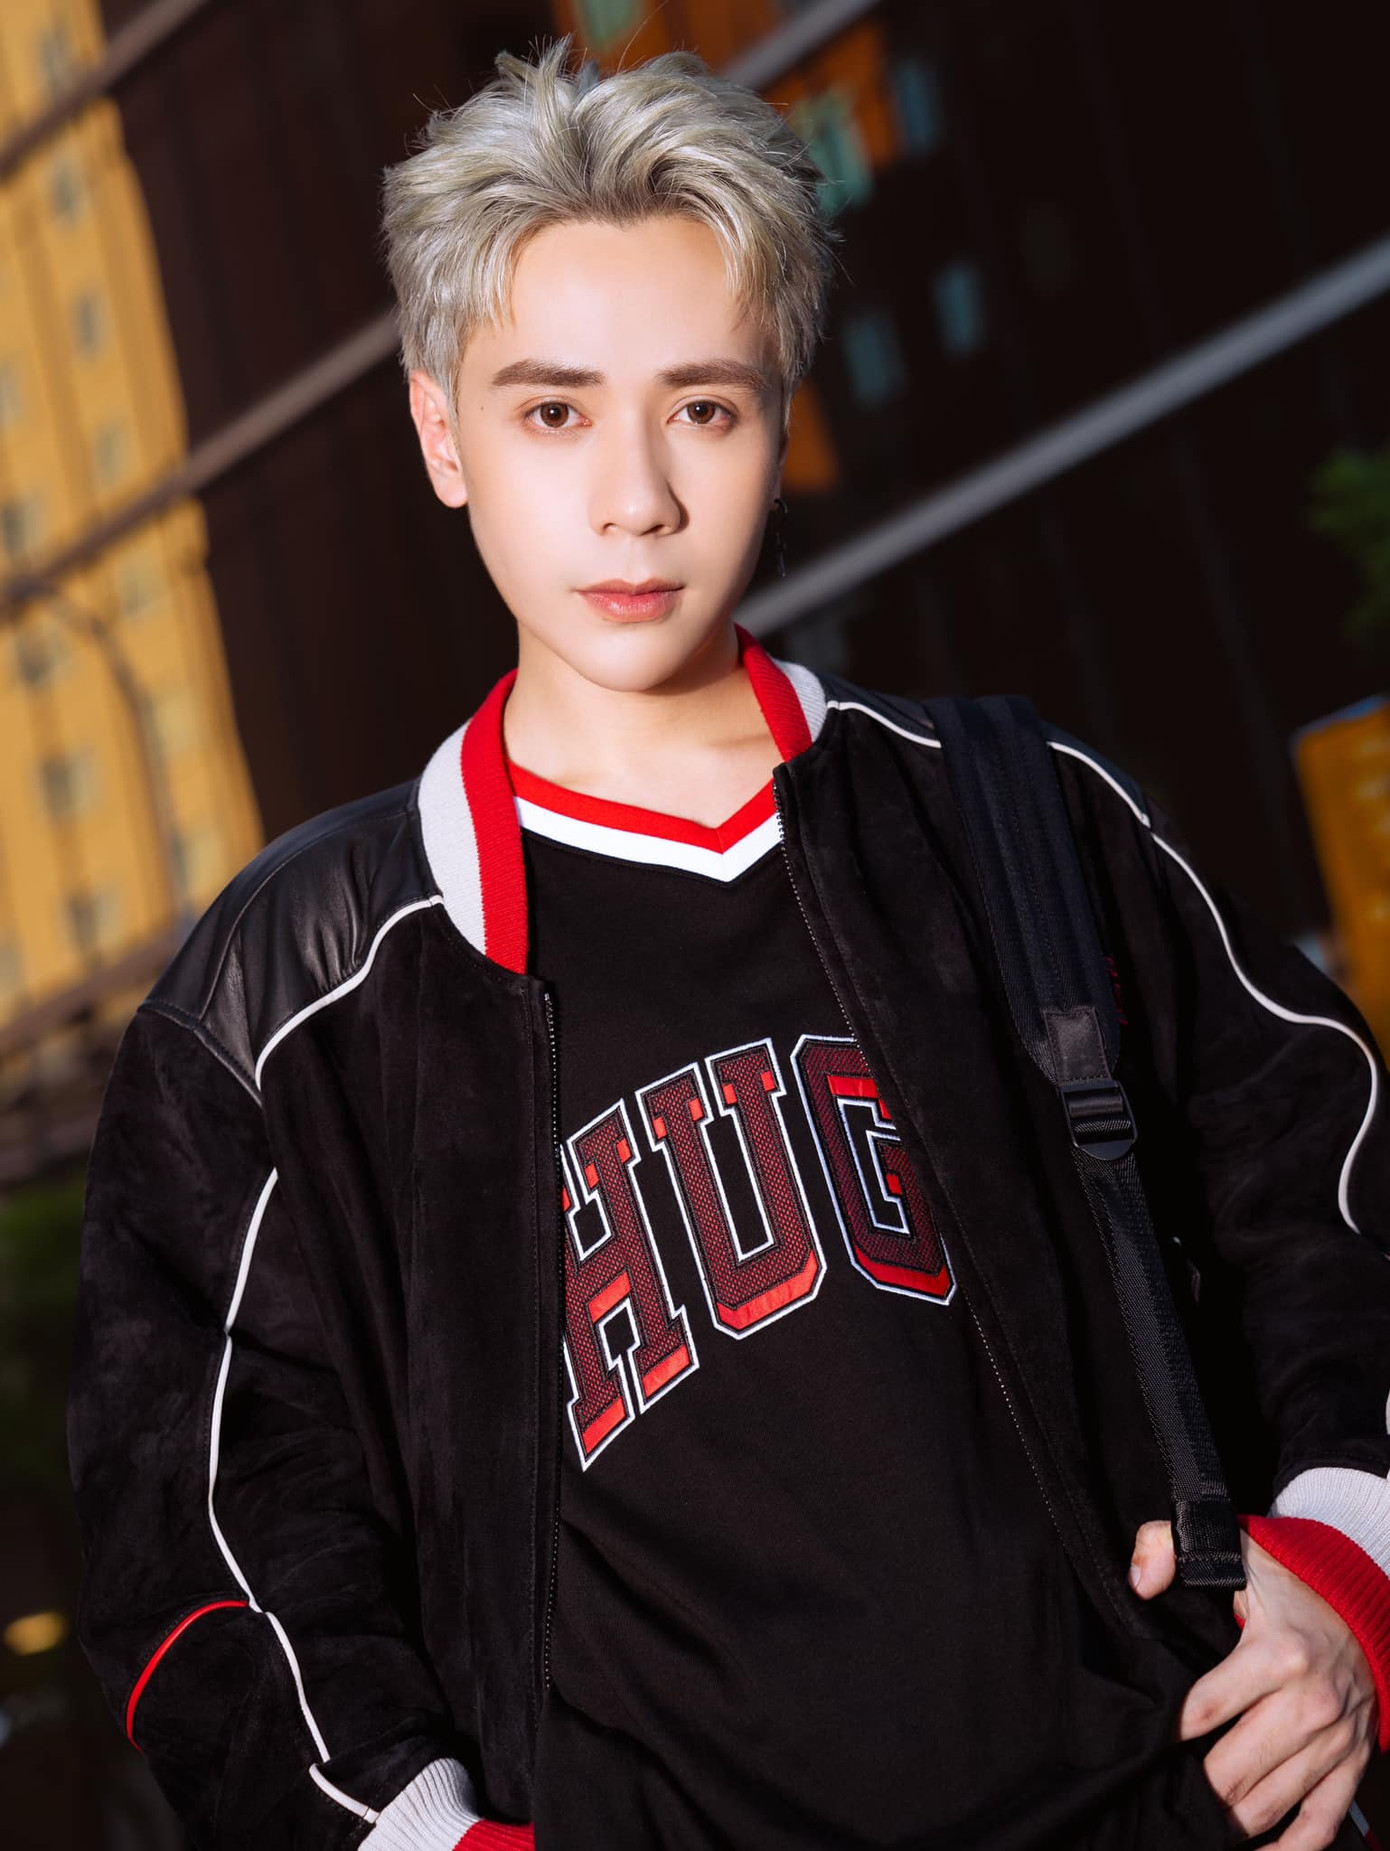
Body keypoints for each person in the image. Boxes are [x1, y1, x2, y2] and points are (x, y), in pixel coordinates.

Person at [68, 34, 1390, 1851]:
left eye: (701, 407)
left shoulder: (1015, 814)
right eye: (552, 414)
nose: (636, 499)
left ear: (779, 416)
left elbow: (1327, 1179)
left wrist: (1347, 1561)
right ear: (442, 435)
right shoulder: (296, 999)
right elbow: (210, 1544)